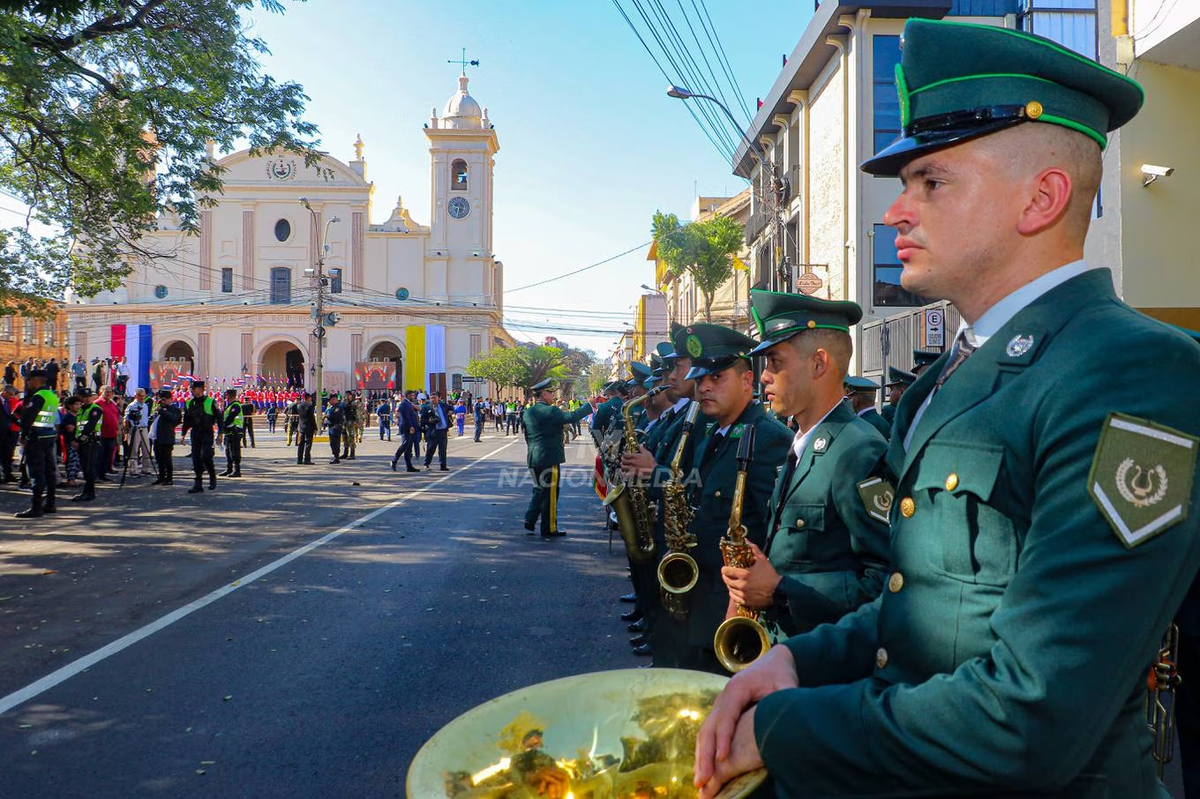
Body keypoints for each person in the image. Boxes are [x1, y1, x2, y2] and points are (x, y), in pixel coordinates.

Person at [693, 19, 1200, 798]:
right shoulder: (945, 383)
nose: (897, 211)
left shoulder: (1134, 373)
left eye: (931, 182)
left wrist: (786, 728)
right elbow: (920, 607)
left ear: (1042, 198)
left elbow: (1033, 715)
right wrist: (797, 659)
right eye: (905, 186)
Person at [722, 292, 891, 646]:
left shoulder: (859, 450)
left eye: (774, 362)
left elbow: (888, 581)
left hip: (823, 668)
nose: (764, 377)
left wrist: (781, 589)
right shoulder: (800, 441)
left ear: (818, 364)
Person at [642, 324, 792, 672]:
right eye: (700, 377)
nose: (704, 386)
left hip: (728, 608)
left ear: (746, 381)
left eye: (717, 376)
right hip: (697, 598)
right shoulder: (714, 432)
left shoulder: (768, 438)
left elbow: (771, 534)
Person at [522, 379, 594, 537]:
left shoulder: (528, 412)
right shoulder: (551, 411)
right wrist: (589, 406)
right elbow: (571, 417)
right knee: (550, 494)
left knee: (539, 489)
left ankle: (530, 518)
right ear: (544, 394)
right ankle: (549, 528)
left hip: (533, 456)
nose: (553, 397)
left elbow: (527, 435)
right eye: (551, 393)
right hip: (549, 457)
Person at [15, 369, 59, 517]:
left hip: (36, 438)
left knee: (36, 472)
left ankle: (36, 507)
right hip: (49, 435)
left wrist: (23, 435)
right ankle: (50, 503)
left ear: (37, 380)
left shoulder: (38, 396)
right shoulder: (52, 395)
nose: (27, 383)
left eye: (29, 380)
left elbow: (28, 417)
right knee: (49, 471)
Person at [180, 380, 222, 493]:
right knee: (196, 459)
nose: (192, 391)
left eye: (193, 389)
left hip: (207, 433)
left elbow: (219, 418)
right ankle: (198, 484)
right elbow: (186, 421)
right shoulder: (189, 403)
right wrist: (183, 434)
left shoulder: (210, 401)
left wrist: (220, 434)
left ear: (200, 389)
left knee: (206, 456)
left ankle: (212, 476)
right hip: (195, 433)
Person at [71, 387, 103, 502]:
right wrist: (75, 439)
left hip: (91, 441)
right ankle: (87, 492)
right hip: (82, 442)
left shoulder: (96, 409)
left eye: (88, 397)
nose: (87, 399)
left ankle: (89, 493)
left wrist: (78, 440)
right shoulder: (81, 410)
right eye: (84, 397)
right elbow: (78, 426)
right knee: (85, 468)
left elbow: (90, 426)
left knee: (89, 468)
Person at [150, 387, 180, 485]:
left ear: (170, 399)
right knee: (159, 460)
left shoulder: (174, 408)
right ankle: (161, 477)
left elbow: (174, 418)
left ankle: (169, 478)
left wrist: (161, 411)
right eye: (161, 399)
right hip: (157, 438)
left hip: (167, 438)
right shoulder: (160, 409)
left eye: (164, 399)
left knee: (167, 459)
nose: (162, 401)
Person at [124, 387, 153, 477]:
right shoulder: (132, 405)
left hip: (144, 428)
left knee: (146, 449)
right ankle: (133, 470)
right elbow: (126, 419)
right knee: (134, 450)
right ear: (136, 396)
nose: (142, 398)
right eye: (140, 396)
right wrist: (127, 432)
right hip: (135, 429)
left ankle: (146, 468)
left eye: (144, 396)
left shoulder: (145, 405)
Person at [390, 390, 421, 472]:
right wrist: (410, 426)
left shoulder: (408, 404)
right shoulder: (404, 404)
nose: (414, 397)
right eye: (412, 395)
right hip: (406, 428)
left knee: (408, 447)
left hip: (411, 427)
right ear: (408, 395)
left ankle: (409, 466)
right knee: (405, 445)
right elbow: (405, 417)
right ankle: (394, 460)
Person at [422, 392, 452, 471]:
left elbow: (451, 407)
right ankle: (426, 464)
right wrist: (429, 420)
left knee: (443, 449)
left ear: (438, 398)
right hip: (433, 432)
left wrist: (451, 411)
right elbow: (422, 420)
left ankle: (443, 465)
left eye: (434, 398)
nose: (433, 399)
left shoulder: (443, 405)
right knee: (431, 449)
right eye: (431, 398)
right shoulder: (427, 407)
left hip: (443, 431)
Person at [220, 388, 244, 477]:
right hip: (229, 432)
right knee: (228, 451)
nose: (225, 398)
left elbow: (230, 418)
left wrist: (223, 426)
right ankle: (229, 469)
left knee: (235, 452)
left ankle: (237, 470)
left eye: (226, 396)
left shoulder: (236, 406)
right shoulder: (229, 406)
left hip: (235, 431)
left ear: (229, 396)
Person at [294, 391, 316, 465]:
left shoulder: (299, 405)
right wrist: (315, 427)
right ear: (308, 398)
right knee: (308, 443)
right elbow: (312, 418)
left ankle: (299, 459)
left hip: (301, 426)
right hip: (309, 427)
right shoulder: (309, 406)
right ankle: (307, 459)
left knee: (301, 443)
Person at [325, 393, 345, 464]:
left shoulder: (338, 407)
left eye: (330, 400)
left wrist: (327, 416)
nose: (329, 402)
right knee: (333, 442)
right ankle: (335, 456)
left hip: (335, 426)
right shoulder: (332, 407)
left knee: (335, 442)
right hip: (332, 426)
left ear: (334, 400)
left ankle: (336, 457)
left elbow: (332, 416)